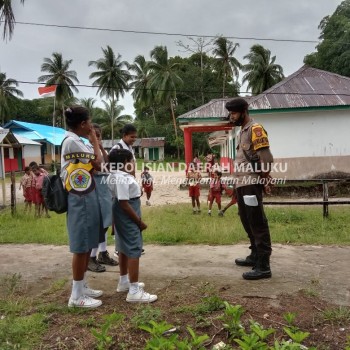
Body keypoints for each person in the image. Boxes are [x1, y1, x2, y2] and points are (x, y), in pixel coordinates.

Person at [61, 105, 104, 308]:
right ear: (83, 124)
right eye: (89, 121)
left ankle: (82, 285)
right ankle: (76, 296)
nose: (90, 125)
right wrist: (94, 139)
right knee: (81, 246)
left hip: (85, 193)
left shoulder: (77, 141)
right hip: (80, 196)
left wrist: (91, 141)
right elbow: (98, 162)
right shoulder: (72, 142)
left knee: (87, 243)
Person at [226, 97, 274, 280]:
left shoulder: (255, 129)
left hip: (251, 184)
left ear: (243, 112)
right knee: (246, 220)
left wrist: (264, 179)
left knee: (257, 222)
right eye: (231, 113)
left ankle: (263, 265)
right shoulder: (242, 131)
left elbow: (267, 158)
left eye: (234, 113)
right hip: (241, 184)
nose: (232, 116)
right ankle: (254, 255)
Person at [107, 148, 157, 303]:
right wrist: (139, 222)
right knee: (134, 248)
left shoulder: (115, 175)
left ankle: (124, 281)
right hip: (128, 211)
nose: (134, 163)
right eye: (131, 161)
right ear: (124, 163)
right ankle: (134, 291)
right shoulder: (121, 178)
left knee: (122, 246)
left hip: (123, 209)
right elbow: (124, 203)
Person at [87, 123, 118, 273]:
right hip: (95, 188)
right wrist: (95, 147)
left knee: (106, 222)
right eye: (95, 135)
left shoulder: (99, 150)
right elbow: (99, 167)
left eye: (99, 135)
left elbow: (110, 164)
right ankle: (91, 257)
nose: (97, 138)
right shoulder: (87, 150)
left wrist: (102, 148)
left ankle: (103, 253)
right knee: (98, 224)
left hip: (105, 189)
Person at [110, 124, 138, 257]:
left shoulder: (130, 148)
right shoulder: (117, 148)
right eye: (132, 137)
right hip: (121, 186)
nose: (134, 139)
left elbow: (132, 168)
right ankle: (118, 248)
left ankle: (127, 245)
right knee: (120, 218)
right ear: (124, 135)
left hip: (129, 184)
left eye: (135, 137)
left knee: (128, 218)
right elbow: (111, 167)